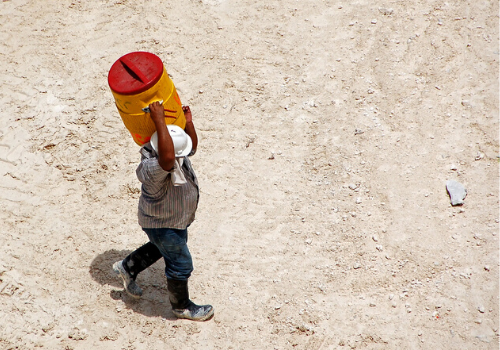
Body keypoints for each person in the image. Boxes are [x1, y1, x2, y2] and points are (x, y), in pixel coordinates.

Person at [112, 101, 214, 322]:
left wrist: (188, 124)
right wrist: (159, 120)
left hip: (173, 219)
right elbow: (167, 159)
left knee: (161, 248)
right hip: (161, 222)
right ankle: (181, 307)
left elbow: (191, 147)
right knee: (180, 263)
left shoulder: (173, 150)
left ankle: (127, 267)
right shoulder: (152, 166)